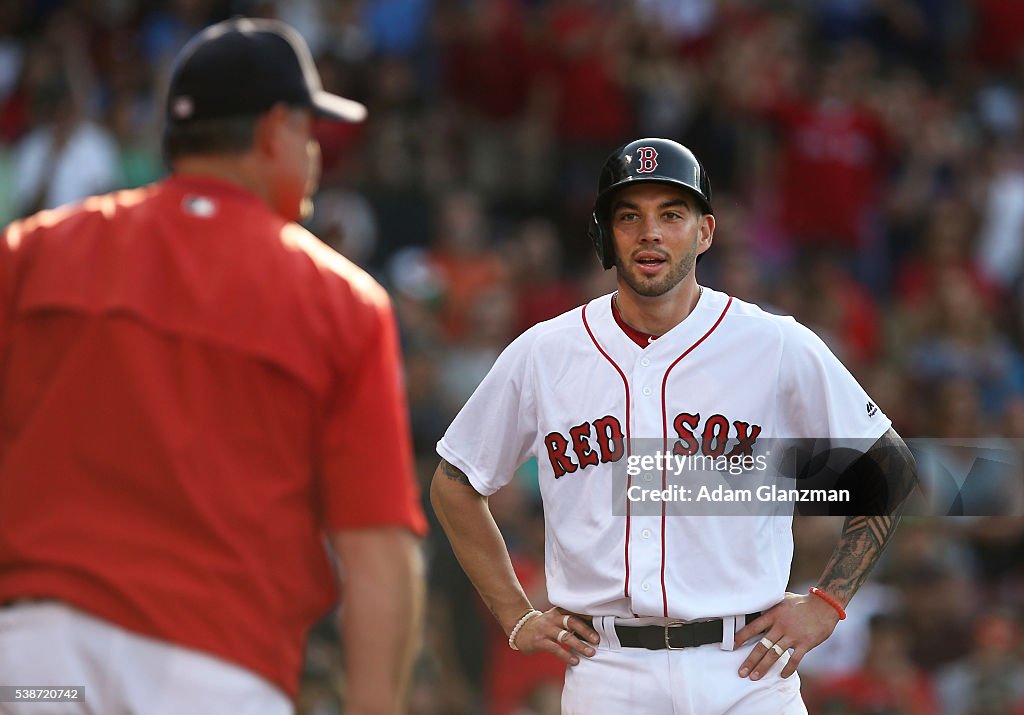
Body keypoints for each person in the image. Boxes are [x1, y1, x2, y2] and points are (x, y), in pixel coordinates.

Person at [0, 18, 426, 715]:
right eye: (307, 131)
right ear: (272, 130)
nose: (313, 151)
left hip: (38, 664)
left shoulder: (36, 248)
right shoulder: (341, 299)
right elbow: (376, 549)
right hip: (213, 677)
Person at [430, 137, 918, 714]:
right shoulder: (545, 352)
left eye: (671, 214)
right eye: (629, 216)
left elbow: (888, 467)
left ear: (705, 232)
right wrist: (515, 615)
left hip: (745, 669)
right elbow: (455, 483)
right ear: (604, 236)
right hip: (607, 669)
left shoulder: (774, 343)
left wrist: (828, 603)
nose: (650, 233)